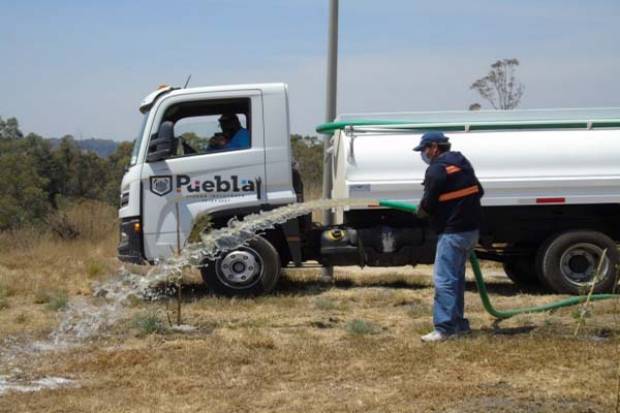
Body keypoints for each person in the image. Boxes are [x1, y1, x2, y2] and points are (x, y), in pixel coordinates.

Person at [413, 131, 484, 342]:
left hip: (452, 232)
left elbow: (428, 203)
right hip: (470, 231)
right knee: (456, 280)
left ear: (434, 147)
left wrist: (422, 211)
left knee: (444, 281)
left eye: (424, 149)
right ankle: (459, 325)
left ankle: (444, 329)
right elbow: (478, 191)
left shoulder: (436, 169)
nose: (423, 154)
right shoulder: (462, 163)